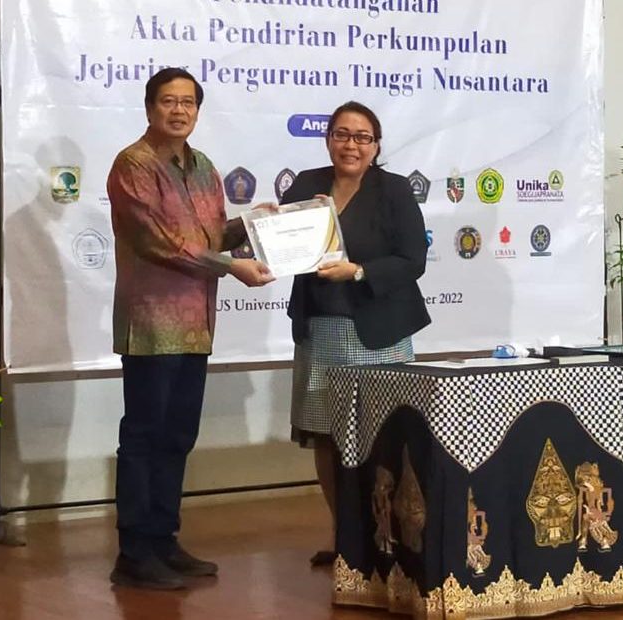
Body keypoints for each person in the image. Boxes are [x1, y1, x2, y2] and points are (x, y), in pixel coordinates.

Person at [106, 68, 273, 590]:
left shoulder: (203, 168)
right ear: (149, 107)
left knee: (178, 436)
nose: (178, 110)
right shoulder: (133, 164)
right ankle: (134, 553)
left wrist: (254, 224)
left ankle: (163, 541)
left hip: (197, 324)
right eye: (168, 101)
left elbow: (210, 237)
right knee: (144, 436)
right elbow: (159, 242)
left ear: (197, 111)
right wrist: (231, 266)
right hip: (152, 324)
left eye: (188, 103)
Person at [281, 101, 431, 565]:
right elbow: (285, 246)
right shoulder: (305, 184)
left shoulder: (394, 190)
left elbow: (413, 261)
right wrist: (267, 226)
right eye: (342, 135)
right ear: (328, 140)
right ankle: (344, 537)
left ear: (376, 146)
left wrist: (359, 270)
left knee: (378, 438)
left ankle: (384, 536)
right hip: (320, 329)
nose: (351, 145)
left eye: (362, 137)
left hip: (378, 332)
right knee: (327, 435)